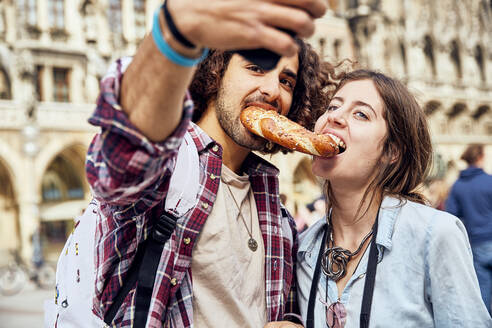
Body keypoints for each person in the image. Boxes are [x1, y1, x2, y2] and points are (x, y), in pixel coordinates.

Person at [51, 1, 337, 327]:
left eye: (286, 81)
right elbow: (127, 153)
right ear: (215, 71)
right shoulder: (172, 170)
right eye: (256, 68)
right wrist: (175, 36)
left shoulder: (281, 220)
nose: (272, 90)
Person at [296, 69, 492, 327]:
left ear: (391, 151)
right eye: (333, 106)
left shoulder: (434, 235)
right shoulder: (303, 248)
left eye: (361, 114)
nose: (335, 117)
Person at [445, 144, 492, 314]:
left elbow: (451, 216)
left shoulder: (458, 186)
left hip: (477, 244)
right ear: (480, 157)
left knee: (483, 291)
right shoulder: (490, 181)